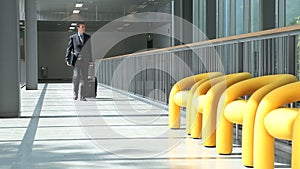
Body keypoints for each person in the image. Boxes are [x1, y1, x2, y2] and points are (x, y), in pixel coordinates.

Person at [65, 22, 92, 101]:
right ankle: (75, 94)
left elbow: (89, 50)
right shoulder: (73, 37)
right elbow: (69, 49)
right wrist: (67, 59)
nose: (84, 28)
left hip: (85, 61)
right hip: (76, 61)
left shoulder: (88, 37)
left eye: (84, 27)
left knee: (84, 78)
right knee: (76, 77)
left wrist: (91, 60)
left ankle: (83, 96)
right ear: (78, 28)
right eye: (82, 27)